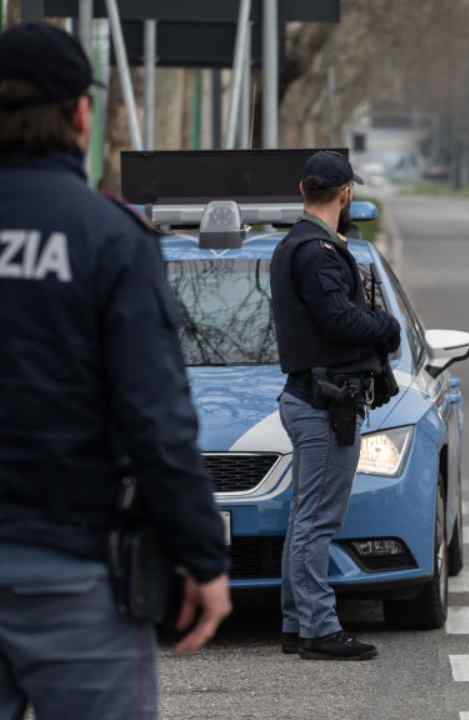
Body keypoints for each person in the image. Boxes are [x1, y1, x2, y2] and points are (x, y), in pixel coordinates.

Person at [0, 23, 231, 719]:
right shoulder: (108, 238)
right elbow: (155, 421)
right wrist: (202, 557)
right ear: (80, 115)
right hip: (73, 575)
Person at [269, 150, 401, 661]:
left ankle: (296, 621)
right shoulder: (318, 252)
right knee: (318, 521)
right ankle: (319, 629)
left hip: (313, 396)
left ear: (304, 190)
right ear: (345, 193)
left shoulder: (297, 245)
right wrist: (386, 328)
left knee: (305, 516)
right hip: (326, 403)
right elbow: (338, 319)